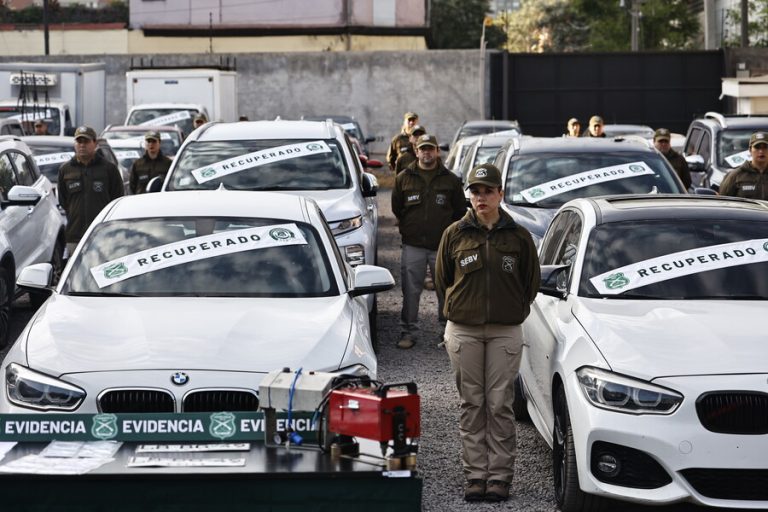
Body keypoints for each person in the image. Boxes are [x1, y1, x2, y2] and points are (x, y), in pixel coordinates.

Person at [435, 163, 540, 503]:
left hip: (505, 331)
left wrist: (508, 310)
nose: (481, 197)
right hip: (463, 330)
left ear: (500, 194)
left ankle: (499, 477)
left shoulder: (519, 236)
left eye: (487, 191)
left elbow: (530, 284)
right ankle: (475, 475)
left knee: (499, 404)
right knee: (472, 403)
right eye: (475, 191)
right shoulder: (455, 233)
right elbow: (443, 281)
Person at [391, 133, 465, 349]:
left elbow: (459, 211)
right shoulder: (403, 178)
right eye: (423, 149)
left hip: (442, 246)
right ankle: (408, 332)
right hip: (413, 244)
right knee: (410, 291)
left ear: (437, 151)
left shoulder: (450, 180)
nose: (426, 152)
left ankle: (446, 332)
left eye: (430, 149)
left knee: (446, 290)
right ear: (417, 151)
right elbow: (397, 208)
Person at [57, 126, 124, 256]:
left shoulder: (109, 169)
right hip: (75, 236)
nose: (82, 145)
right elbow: (64, 201)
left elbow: (117, 200)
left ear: (95, 143)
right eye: (79, 141)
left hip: (102, 234)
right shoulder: (65, 170)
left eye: (86, 141)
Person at [719, 131, 768, 200]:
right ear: (750, 150)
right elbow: (723, 203)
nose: (761, 151)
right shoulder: (735, 176)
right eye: (757, 147)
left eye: (765, 147)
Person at [129, 130, 173, 194]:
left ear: (159, 142)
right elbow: (132, 186)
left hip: (160, 200)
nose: (151, 144)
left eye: (154, 141)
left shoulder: (167, 163)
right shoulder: (138, 164)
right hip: (141, 200)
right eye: (148, 141)